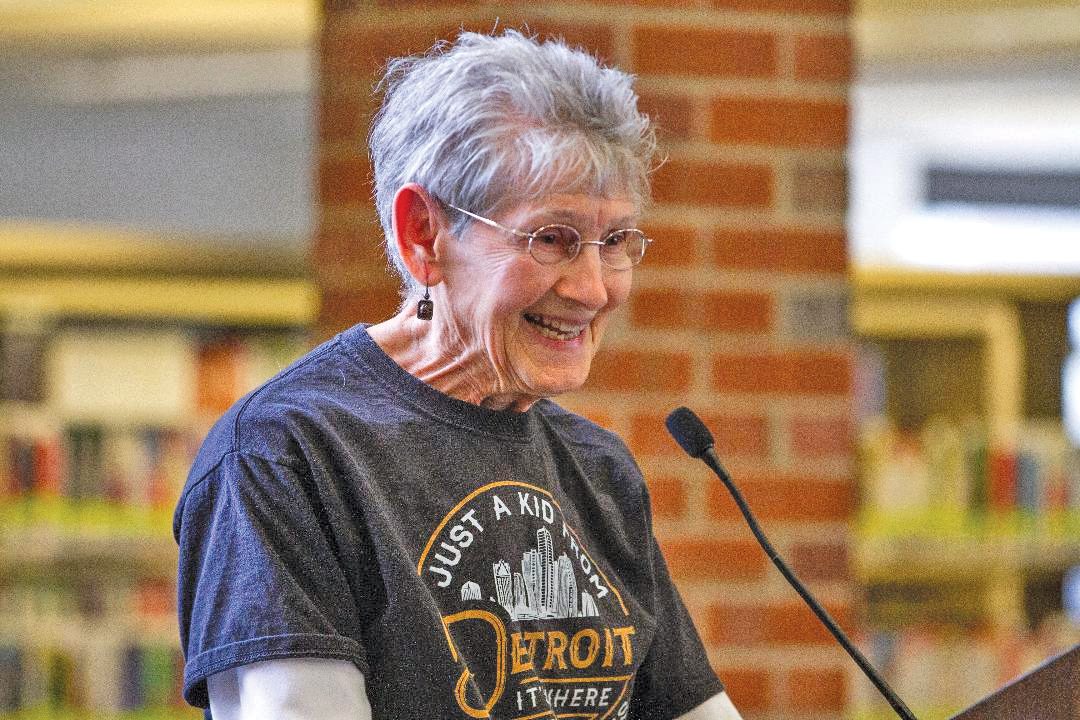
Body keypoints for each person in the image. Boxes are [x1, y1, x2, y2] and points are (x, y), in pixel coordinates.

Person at [174, 30, 744, 720]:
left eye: (616, 241)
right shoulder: (286, 454)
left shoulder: (598, 469)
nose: (594, 289)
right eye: (553, 239)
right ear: (424, 235)